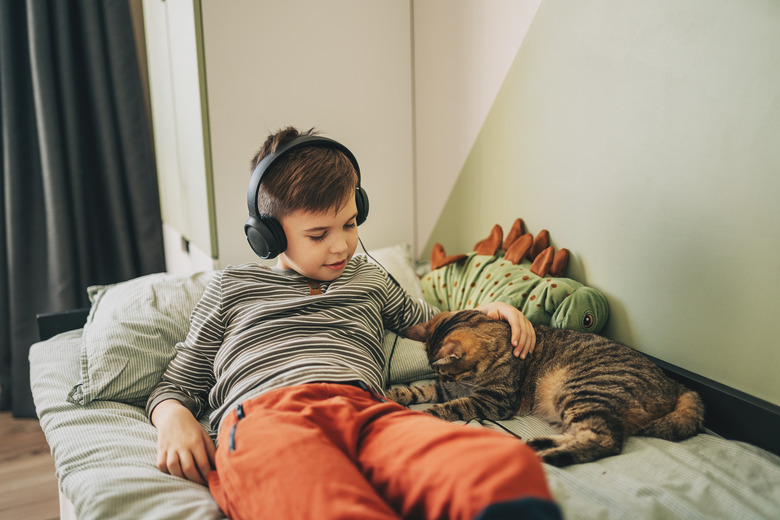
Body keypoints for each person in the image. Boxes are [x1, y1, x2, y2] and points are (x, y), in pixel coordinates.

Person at [147, 127, 562, 519]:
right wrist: (172, 418)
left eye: (349, 223)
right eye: (318, 234)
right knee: (325, 502)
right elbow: (178, 384)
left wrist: (488, 312)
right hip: (270, 418)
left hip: (370, 413)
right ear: (268, 235)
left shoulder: (368, 276)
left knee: (505, 469)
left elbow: (430, 325)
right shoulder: (231, 286)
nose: (342, 244)